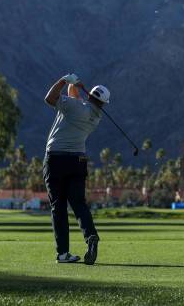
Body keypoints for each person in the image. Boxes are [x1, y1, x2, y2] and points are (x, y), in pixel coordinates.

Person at [43, 73, 110, 264]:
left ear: (89, 96)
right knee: (79, 204)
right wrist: (75, 85)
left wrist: (64, 80)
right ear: (104, 104)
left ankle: (63, 253)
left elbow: (49, 98)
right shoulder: (95, 116)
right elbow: (76, 101)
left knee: (58, 207)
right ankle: (91, 237)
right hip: (78, 162)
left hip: (56, 159)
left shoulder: (75, 107)